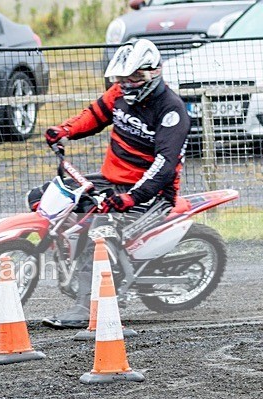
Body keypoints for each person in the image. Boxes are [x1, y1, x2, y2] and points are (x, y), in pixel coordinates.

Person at [40, 38, 190, 329]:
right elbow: (94, 115)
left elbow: (163, 167)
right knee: (44, 197)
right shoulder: (118, 94)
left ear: (153, 72)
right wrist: (64, 131)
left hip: (151, 193)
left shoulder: (171, 111)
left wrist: (131, 198)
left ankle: (88, 304)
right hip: (112, 179)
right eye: (121, 78)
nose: (126, 84)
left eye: (133, 77)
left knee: (99, 233)